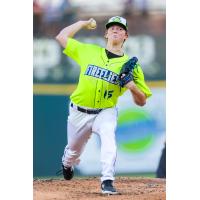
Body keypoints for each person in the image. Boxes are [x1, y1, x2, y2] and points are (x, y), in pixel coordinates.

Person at [55, 16, 152, 195]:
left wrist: (131, 86)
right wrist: (82, 23)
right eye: (112, 28)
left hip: (105, 111)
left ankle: (107, 180)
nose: (116, 30)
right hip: (79, 111)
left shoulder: (132, 66)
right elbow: (61, 37)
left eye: (120, 28)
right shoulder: (88, 51)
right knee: (73, 152)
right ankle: (67, 162)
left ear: (126, 36)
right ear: (106, 33)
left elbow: (142, 101)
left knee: (108, 135)